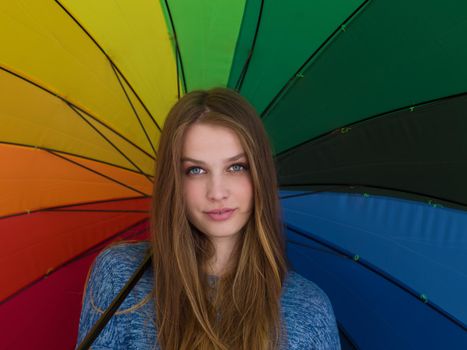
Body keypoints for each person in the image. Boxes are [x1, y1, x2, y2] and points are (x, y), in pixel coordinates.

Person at [75, 87, 341, 350]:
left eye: (236, 167)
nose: (217, 192)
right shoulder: (120, 277)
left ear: (260, 173)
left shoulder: (308, 310)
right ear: (173, 182)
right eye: (196, 170)